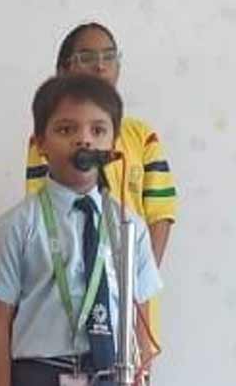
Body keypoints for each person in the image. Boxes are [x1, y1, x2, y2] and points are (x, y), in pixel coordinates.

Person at [0, 74, 162, 386]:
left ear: (113, 144)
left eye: (98, 130)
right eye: (66, 129)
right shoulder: (16, 226)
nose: (83, 140)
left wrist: (143, 377)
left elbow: (140, 314)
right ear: (40, 144)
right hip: (40, 372)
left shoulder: (131, 229)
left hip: (112, 371)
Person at [25, 22, 177, 345]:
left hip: (129, 296)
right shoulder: (44, 140)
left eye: (109, 56)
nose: (100, 65)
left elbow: (160, 215)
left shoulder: (142, 136)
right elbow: (41, 215)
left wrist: (133, 280)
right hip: (64, 303)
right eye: (88, 56)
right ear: (64, 68)